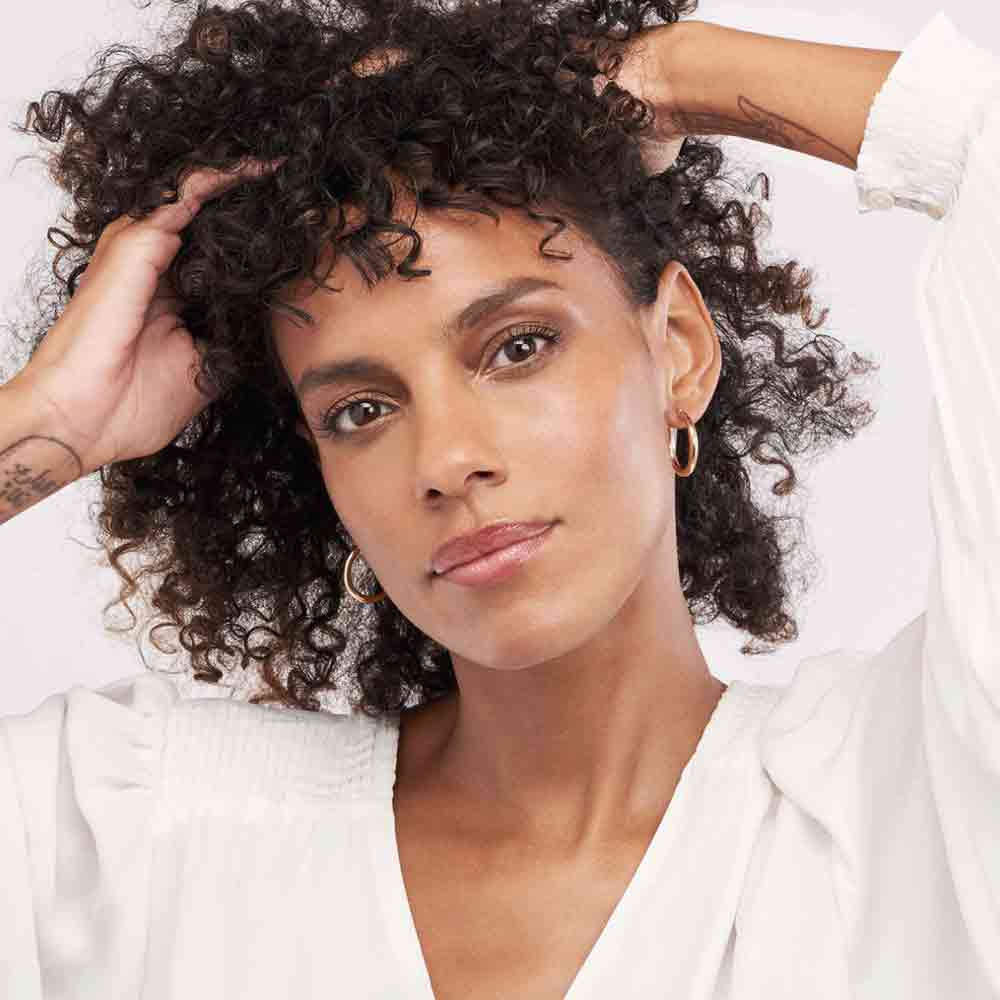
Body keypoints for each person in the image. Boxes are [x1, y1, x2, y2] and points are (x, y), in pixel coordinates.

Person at [0, 1, 997, 996]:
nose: (446, 459)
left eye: (517, 347)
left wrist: (676, 73)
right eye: (360, 410)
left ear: (680, 351)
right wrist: (53, 420)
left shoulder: (911, 797)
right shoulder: (148, 841)